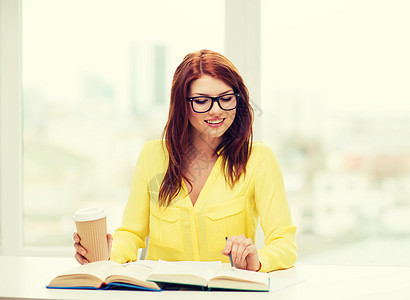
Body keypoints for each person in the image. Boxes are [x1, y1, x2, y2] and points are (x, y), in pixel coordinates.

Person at [74, 49, 297, 272]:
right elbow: (132, 234)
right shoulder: (152, 156)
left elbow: (284, 243)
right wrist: (108, 253)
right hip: (162, 293)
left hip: (225, 293)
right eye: (201, 101)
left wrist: (257, 261)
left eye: (226, 99)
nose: (216, 110)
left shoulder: (258, 159)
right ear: (182, 105)